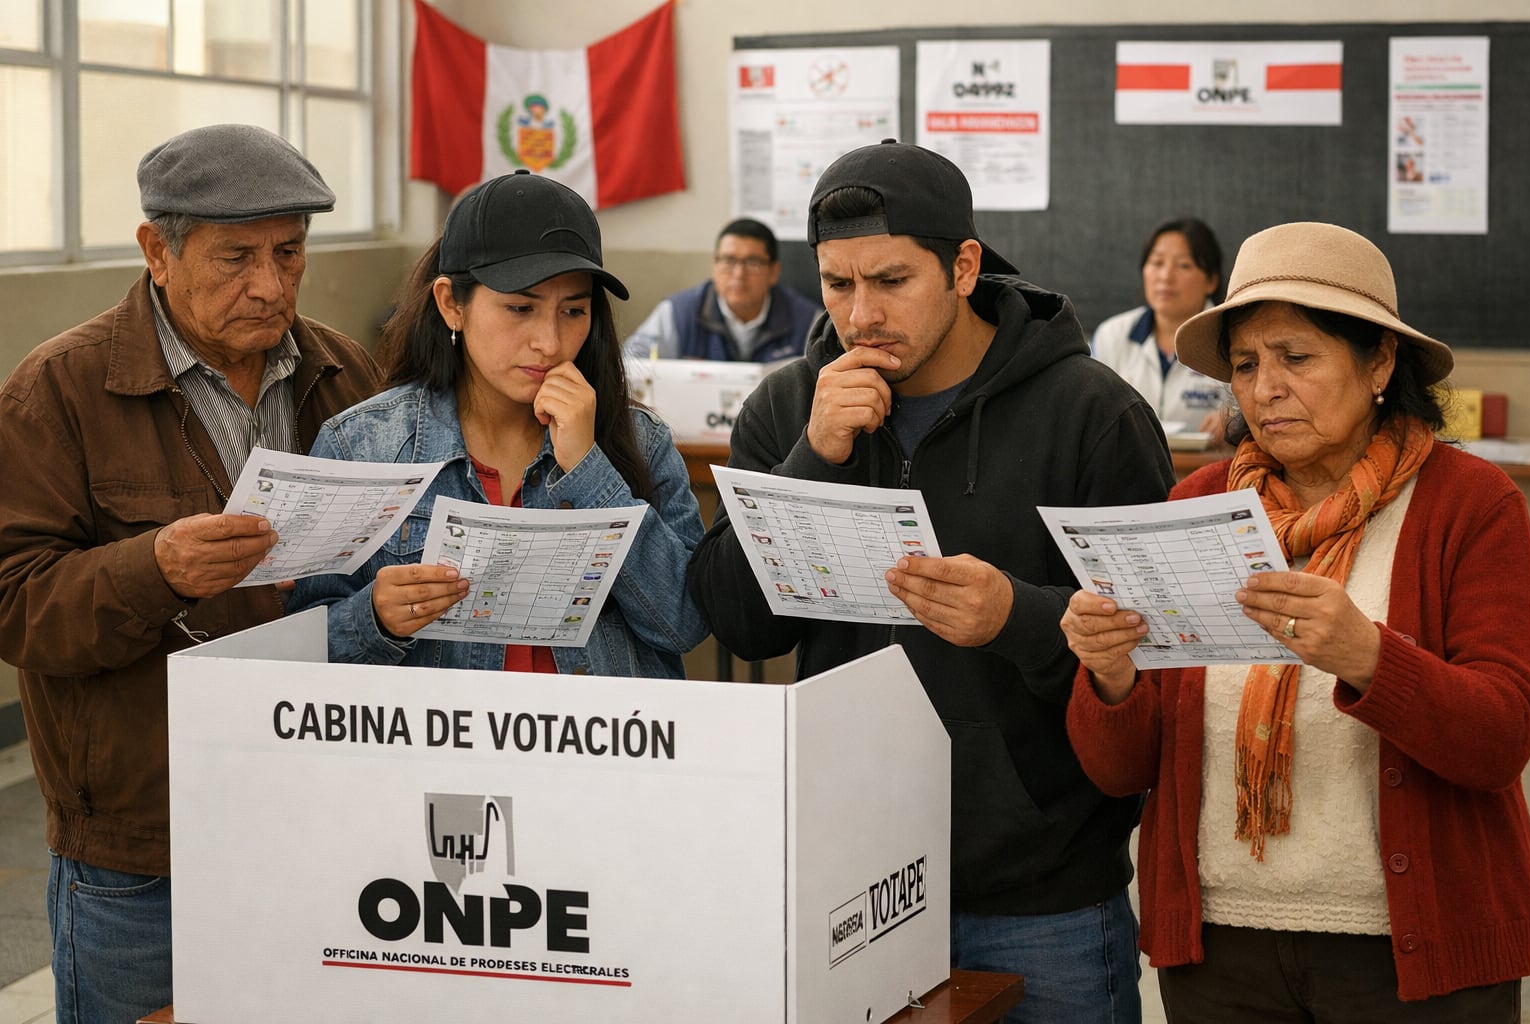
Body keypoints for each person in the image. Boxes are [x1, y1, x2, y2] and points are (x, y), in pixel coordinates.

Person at [687, 138, 1175, 1023]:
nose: (861, 314)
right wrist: (814, 459)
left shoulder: (1091, 412)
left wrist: (1017, 617)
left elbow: (1158, 651)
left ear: (964, 267)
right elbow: (739, 623)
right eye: (837, 284)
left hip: (1040, 892)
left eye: (892, 280)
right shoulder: (789, 407)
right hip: (853, 879)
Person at [1063, 221, 1530, 1021]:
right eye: (1246, 364)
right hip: (1221, 948)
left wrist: (1370, 658)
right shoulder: (1200, 504)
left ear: (1379, 363)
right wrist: (1111, 676)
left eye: (1297, 357)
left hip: (1411, 953)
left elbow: (1501, 741)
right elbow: (1122, 771)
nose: (1265, 389)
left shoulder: (1468, 504)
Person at [0, 123, 383, 1023]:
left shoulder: (344, 375)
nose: (270, 285)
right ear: (156, 252)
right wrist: (154, 568)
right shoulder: (59, 391)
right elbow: (15, 606)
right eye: (236, 257)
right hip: (144, 848)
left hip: (325, 815)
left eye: (289, 253)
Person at [289, 169, 707, 677]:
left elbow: (684, 623)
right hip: (441, 729)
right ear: (451, 304)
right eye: (520, 308)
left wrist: (589, 471)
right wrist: (374, 618)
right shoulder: (363, 445)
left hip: (601, 729)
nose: (549, 342)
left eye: (573, 311)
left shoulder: (641, 440)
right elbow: (303, 648)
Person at [1091, 216, 1229, 438]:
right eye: (1157, 263)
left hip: (1215, 458)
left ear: (1211, 281)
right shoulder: (1112, 336)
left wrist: (1237, 422)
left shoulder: (1231, 337)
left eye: (1183, 265)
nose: (1166, 277)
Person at [622, 217, 822, 363]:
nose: (738, 274)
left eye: (752, 262)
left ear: (773, 271)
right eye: (728, 260)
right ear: (714, 266)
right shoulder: (678, 312)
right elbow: (633, 362)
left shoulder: (807, 320)